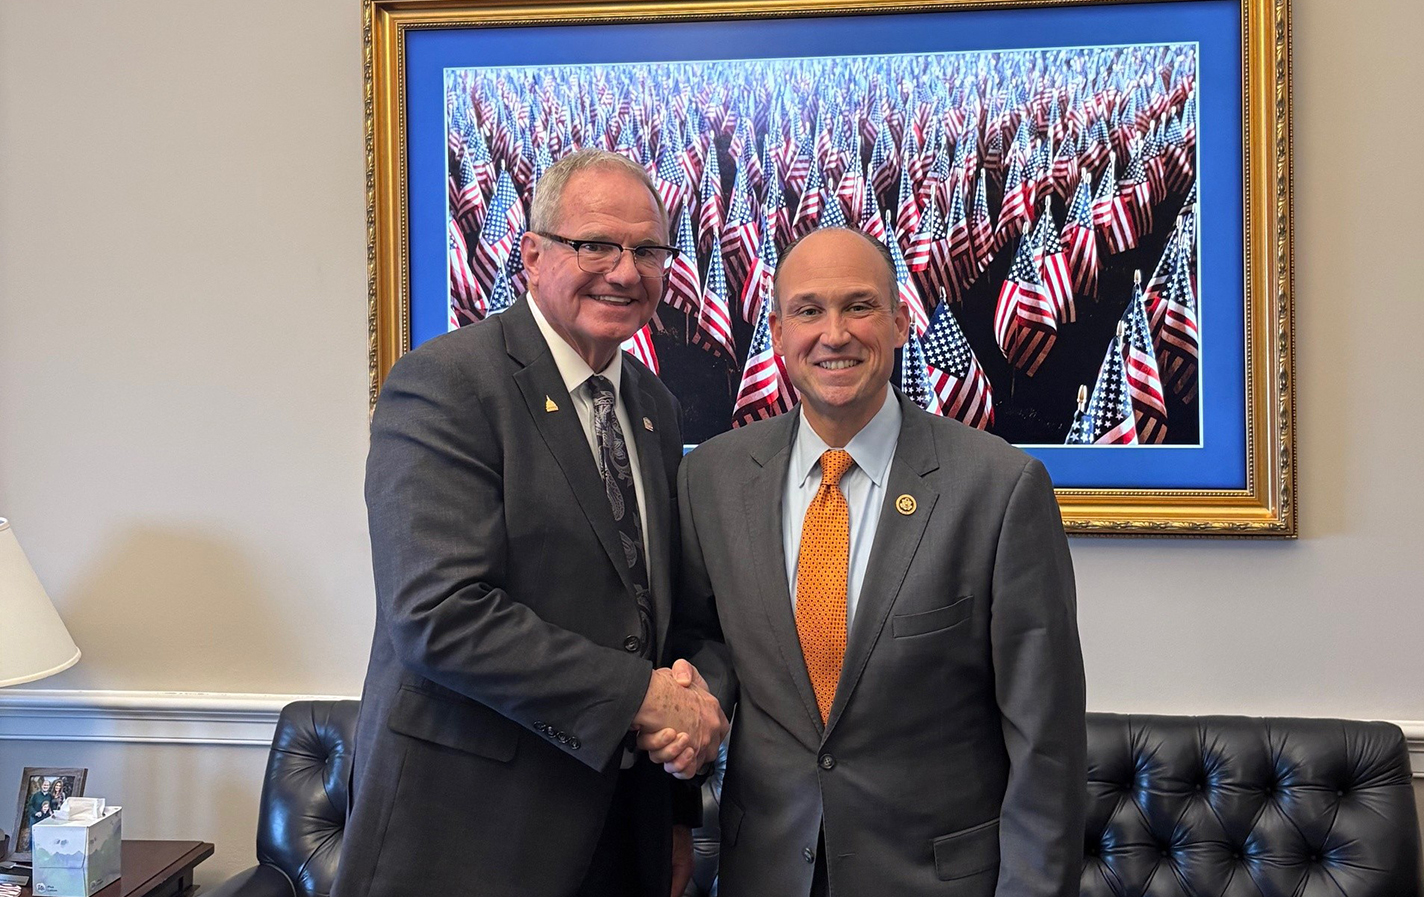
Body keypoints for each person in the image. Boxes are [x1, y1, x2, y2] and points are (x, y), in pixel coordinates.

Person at [333, 149, 726, 897]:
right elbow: (437, 613)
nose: (624, 270)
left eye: (647, 250)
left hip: (622, 832)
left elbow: (659, 618)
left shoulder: (653, 407)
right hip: (467, 839)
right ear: (533, 254)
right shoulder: (446, 383)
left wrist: (676, 804)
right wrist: (641, 698)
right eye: (596, 245)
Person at [662, 227, 1086, 896]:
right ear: (776, 332)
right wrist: (698, 697)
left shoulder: (999, 488)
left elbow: (1046, 741)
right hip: (765, 870)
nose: (834, 334)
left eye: (859, 306)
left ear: (900, 322)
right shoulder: (711, 478)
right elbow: (707, 640)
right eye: (808, 310)